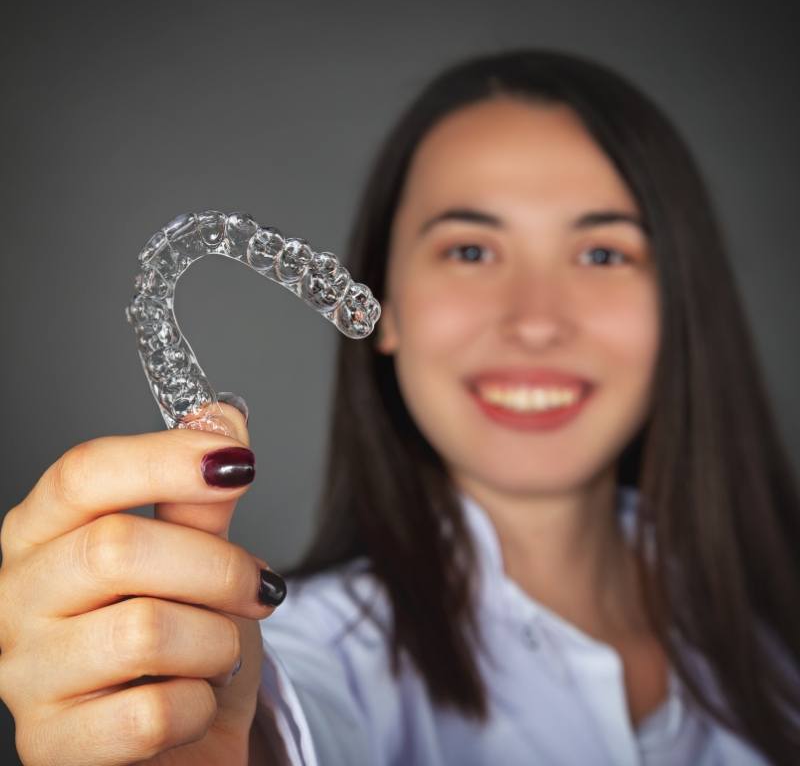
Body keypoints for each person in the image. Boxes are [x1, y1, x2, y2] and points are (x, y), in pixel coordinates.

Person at [0, 50, 797, 766]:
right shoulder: (314, 661)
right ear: (386, 307)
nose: (534, 318)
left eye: (602, 253)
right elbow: (276, 728)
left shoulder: (776, 623)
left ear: (682, 302)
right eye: (470, 250)